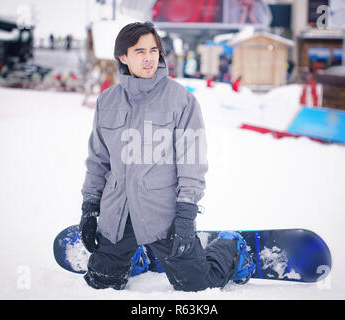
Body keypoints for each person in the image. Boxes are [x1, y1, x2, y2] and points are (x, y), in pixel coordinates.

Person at [79, 21, 255, 292]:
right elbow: (98, 162)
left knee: (196, 286)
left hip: (163, 217)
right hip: (118, 215)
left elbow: (192, 163)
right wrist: (90, 208)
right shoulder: (107, 101)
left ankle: (231, 247)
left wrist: (185, 216)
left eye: (154, 50)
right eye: (139, 51)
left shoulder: (181, 100)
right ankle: (135, 253)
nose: (149, 57)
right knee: (100, 284)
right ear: (123, 57)